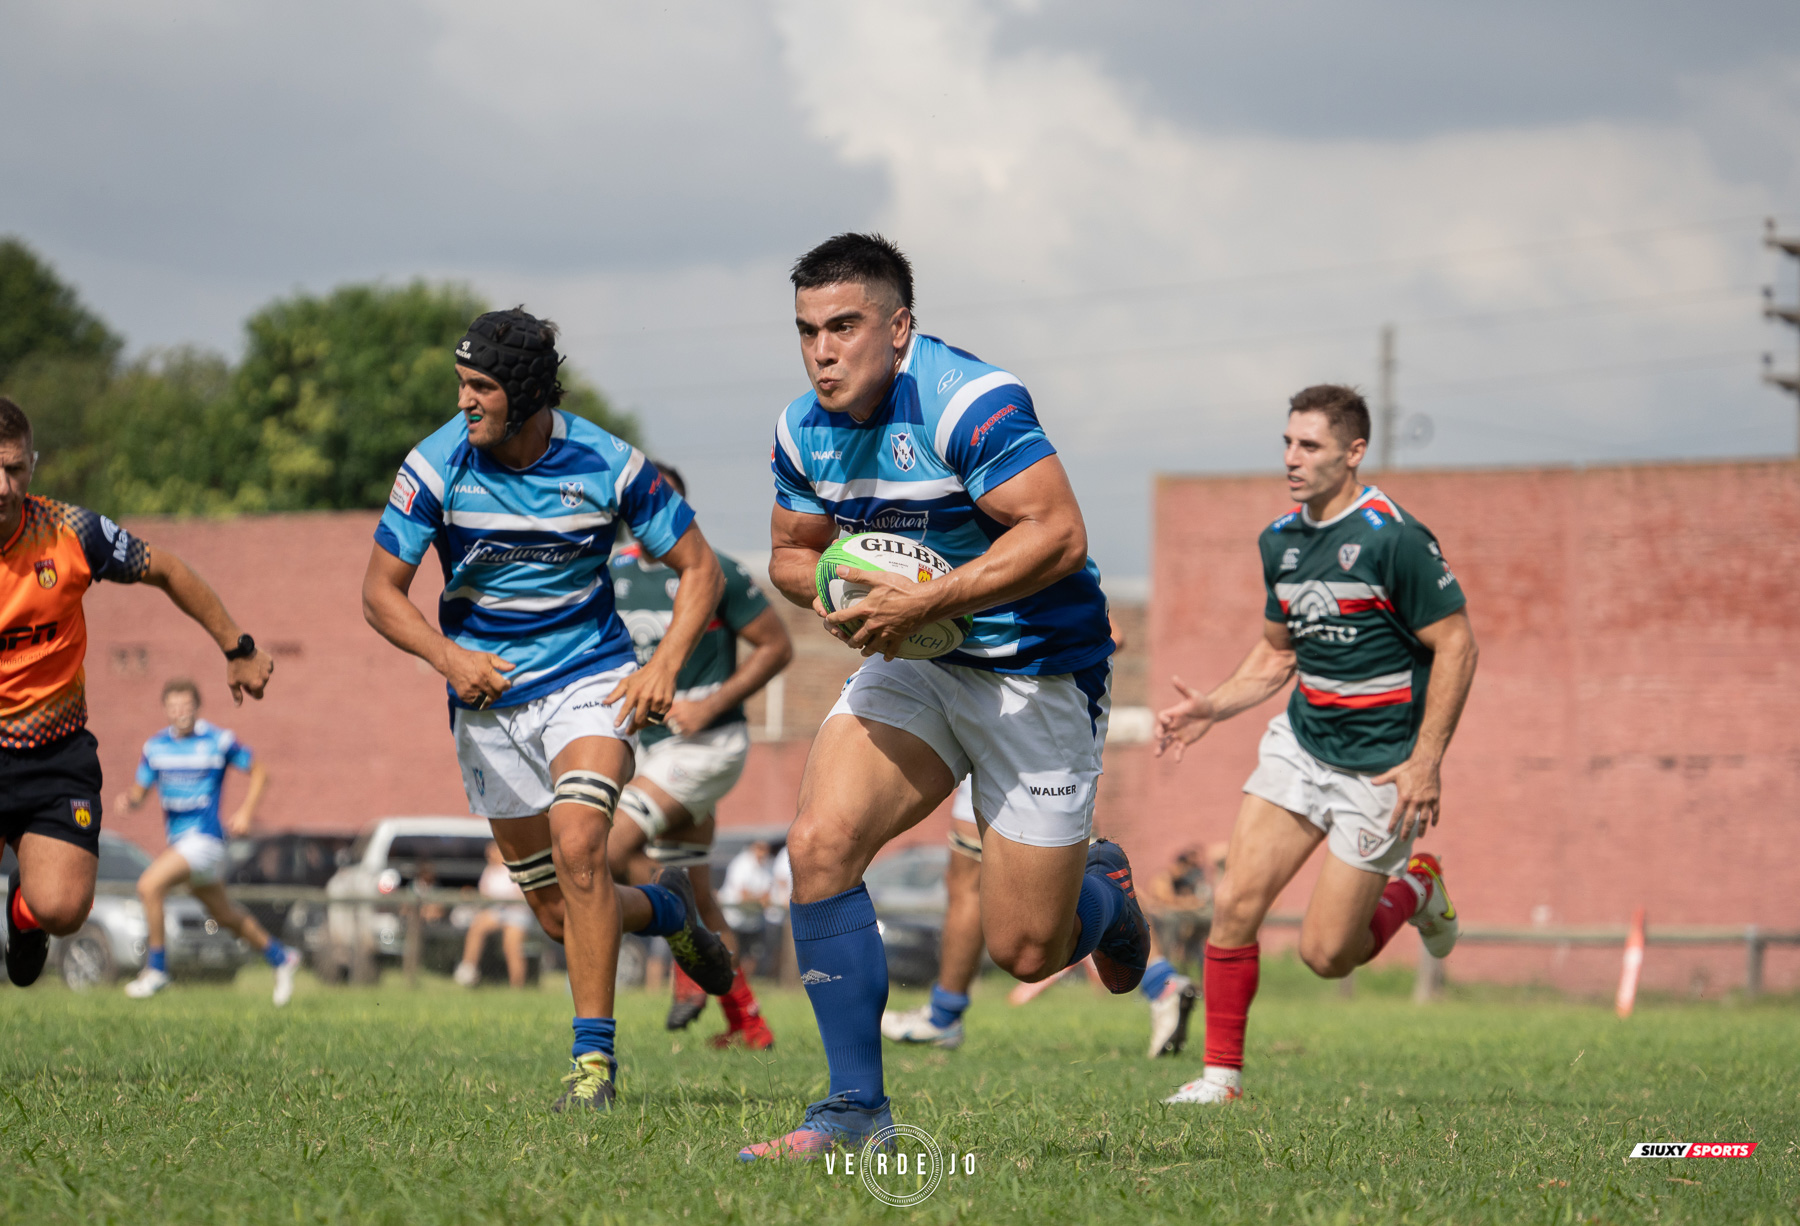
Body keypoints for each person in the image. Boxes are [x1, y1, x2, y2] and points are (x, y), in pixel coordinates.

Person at [744, 233, 1147, 1160]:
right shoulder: (799, 426)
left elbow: (1059, 535)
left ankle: (1107, 896)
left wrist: (925, 599)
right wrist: (836, 592)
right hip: (916, 664)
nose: (823, 351)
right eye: (807, 331)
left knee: (1028, 948)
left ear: (900, 326)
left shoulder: (972, 401)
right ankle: (853, 1114)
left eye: (844, 326)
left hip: (1036, 672)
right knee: (819, 845)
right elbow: (789, 553)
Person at [360, 309, 735, 1113]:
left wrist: (664, 664)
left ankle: (592, 1070)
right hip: (489, 705)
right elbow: (378, 594)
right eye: (461, 384)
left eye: (480, 387)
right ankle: (668, 906)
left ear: (525, 392)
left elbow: (700, 568)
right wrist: (449, 657)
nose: (464, 402)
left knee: (581, 847)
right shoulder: (435, 466)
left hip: (588, 683)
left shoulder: (607, 461)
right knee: (565, 918)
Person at [1154, 384, 1478, 1105]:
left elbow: (1457, 646)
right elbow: (1276, 657)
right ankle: (1221, 1080)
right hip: (1301, 747)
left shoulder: (1395, 538)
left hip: (1383, 769)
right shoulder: (1281, 541)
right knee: (1235, 902)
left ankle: (1418, 886)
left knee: (1329, 954)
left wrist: (1427, 761)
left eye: (1310, 447)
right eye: (1287, 443)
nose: (1292, 460)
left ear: (1353, 453)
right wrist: (1214, 704)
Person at [0, 397, 275, 990]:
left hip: (55, 750)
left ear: (32, 466)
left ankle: (25, 916)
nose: (2, 486)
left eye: (15, 468)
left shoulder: (70, 532)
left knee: (64, 910)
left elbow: (167, 569)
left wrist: (238, 647)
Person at [604, 461, 793, 1049]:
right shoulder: (610, 575)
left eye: (663, 505)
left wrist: (710, 704)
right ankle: (748, 1022)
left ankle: (683, 948)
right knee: (695, 888)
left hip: (708, 745)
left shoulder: (718, 573)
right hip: (650, 752)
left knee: (608, 847)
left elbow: (776, 647)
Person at [116, 678, 300, 1004]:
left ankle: (157, 969)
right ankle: (280, 957)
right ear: (166, 710)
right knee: (225, 915)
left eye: (186, 706)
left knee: (149, 887)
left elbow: (260, 772)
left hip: (205, 840)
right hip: (181, 844)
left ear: (197, 707)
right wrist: (128, 801)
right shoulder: (154, 747)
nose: (180, 713)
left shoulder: (218, 741)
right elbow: (140, 791)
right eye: (174, 707)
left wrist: (245, 813)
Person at [454, 841, 534, 988]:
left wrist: (504, 900)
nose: (489, 855)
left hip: (517, 912)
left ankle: (517, 986)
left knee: (511, 946)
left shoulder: (515, 869)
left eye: (492, 852)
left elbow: (523, 895)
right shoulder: (489, 870)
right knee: (477, 927)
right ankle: (468, 969)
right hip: (497, 911)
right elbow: (484, 894)